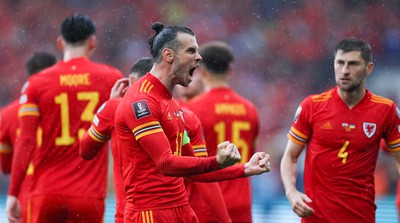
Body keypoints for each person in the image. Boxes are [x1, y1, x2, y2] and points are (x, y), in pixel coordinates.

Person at [115, 22, 270, 223]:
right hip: (150, 213)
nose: (199, 57)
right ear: (169, 55)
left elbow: (195, 170)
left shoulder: (171, 104)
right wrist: (217, 161)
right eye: (191, 51)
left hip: (182, 210)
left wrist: (245, 169)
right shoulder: (142, 100)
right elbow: (165, 163)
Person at [6, 13, 123, 223]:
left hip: (46, 192)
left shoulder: (37, 83)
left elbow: (26, 141)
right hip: (88, 195)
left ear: (60, 43)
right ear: (93, 42)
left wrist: (13, 192)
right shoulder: (111, 78)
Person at [280, 37, 400, 223]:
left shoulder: (386, 110)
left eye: (353, 64)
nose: (345, 71)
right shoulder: (312, 106)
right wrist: (291, 192)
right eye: (340, 63)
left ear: (369, 68)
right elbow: (290, 156)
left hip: (361, 216)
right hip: (316, 217)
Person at [186, 41, 260, 223]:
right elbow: (250, 154)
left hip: (205, 203)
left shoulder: (193, 109)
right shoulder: (249, 109)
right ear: (229, 71)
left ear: (201, 71)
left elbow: (188, 162)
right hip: (241, 201)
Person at [79, 57, 153, 223]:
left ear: (131, 81)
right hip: (174, 210)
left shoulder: (117, 108)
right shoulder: (182, 112)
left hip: (132, 213)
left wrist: (110, 105)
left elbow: (85, 149)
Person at [0, 51, 56, 223]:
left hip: (26, 197)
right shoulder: (65, 107)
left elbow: (7, 166)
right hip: (66, 189)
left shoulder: (7, 115)